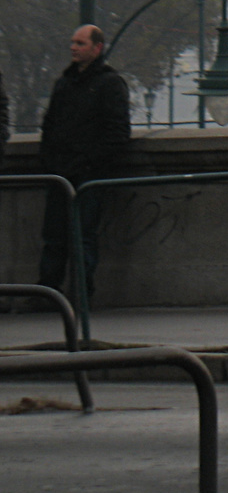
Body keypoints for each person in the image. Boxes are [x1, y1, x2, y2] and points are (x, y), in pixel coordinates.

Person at [37, 24, 131, 298]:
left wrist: (90, 163)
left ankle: (80, 293)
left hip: (89, 175)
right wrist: (50, 160)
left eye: (80, 43)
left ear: (97, 48)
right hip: (60, 173)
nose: (73, 47)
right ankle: (48, 291)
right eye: (72, 42)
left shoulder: (110, 83)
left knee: (83, 235)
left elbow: (117, 133)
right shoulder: (64, 84)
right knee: (54, 236)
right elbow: (50, 125)